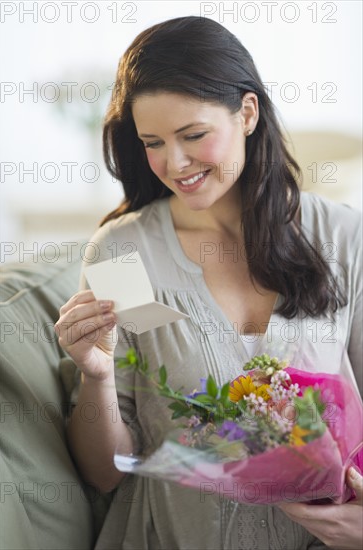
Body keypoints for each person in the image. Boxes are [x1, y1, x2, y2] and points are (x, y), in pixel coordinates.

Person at [55, 16, 363, 550]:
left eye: (193, 135)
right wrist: (96, 376)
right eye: (152, 142)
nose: (174, 164)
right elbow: (105, 474)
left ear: (247, 113)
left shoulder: (342, 237)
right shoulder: (122, 253)